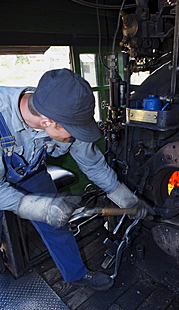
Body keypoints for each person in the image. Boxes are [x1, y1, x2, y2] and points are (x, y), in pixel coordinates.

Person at [0, 68, 153, 291]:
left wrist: (128, 201)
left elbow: (91, 162)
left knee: (57, 224)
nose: (73, 137)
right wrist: (41, 208)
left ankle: (76, 274)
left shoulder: (63, 110)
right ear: (47, 122)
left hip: (30, 172)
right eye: (71, 133)